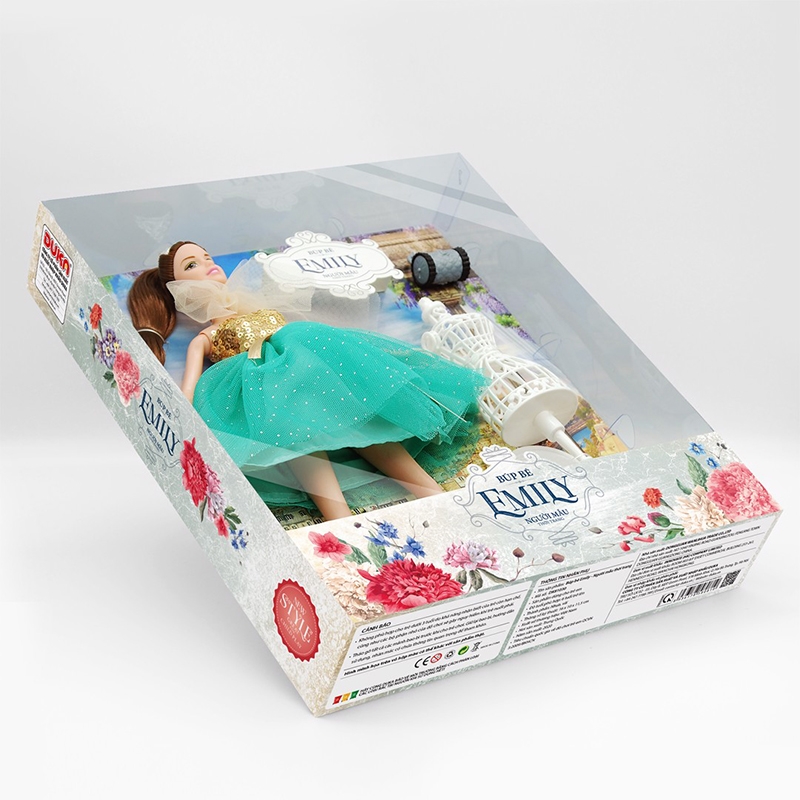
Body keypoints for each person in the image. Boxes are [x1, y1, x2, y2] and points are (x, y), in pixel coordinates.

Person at [128, 241, 486, 520]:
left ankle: (433, 494)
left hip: (307, 360)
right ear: (176, 288)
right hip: (264, 387)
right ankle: (339, 521)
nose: (208, 263)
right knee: (298, 438)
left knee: (361, 414)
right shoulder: (205, 338)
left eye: (206, 256)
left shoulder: (256, 303)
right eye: (192, 265)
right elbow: (188, 389)